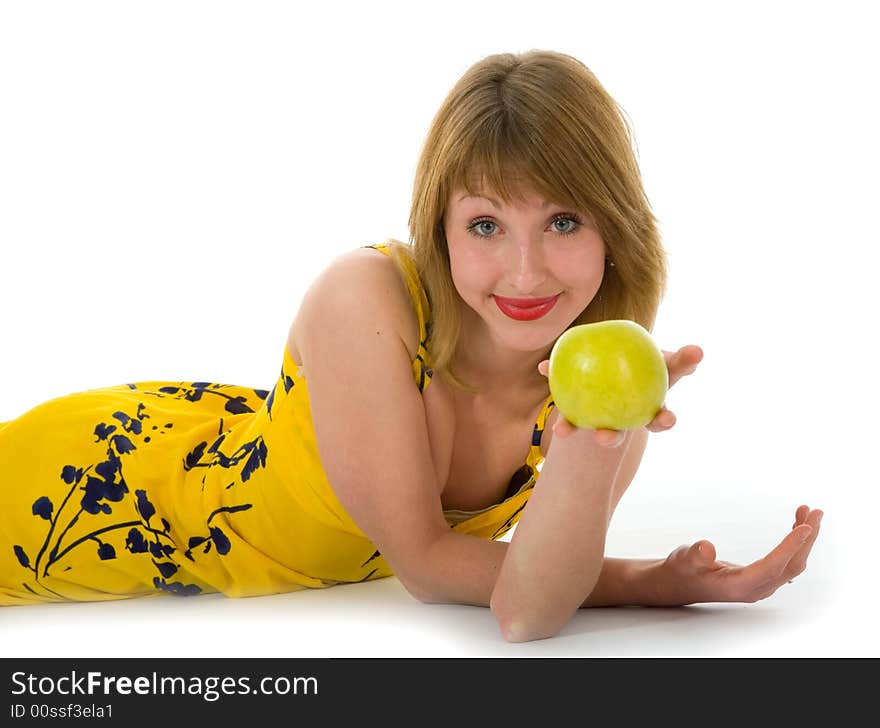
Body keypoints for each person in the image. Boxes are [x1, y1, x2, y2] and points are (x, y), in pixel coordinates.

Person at [0, 49, 822, 642]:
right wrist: (648, 583)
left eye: (564, 221)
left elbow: (530, 609)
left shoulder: (606, 377)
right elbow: (432, 569)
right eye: (487, 225)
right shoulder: (367, 300)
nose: (525, 268)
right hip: (101, 488)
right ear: (441, 228)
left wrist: (608, 485)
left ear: (616, 230)